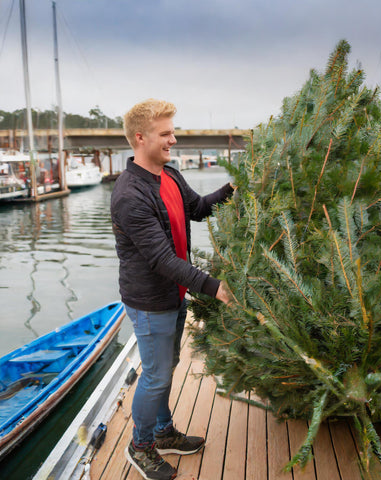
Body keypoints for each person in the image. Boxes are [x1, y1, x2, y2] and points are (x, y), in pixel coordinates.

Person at [111, 99, 233, 480]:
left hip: (174, 295)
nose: (173, 140)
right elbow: (162, 260)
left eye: (172, 132)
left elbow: (197, 208)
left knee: (167, 368)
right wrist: (214, 287)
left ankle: (163, 433)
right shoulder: (130, 195)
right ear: (140, 137)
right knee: (156, 375)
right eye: (165, 134)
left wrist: (233, 188)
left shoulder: (171, 175)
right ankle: (140, 446)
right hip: (150, 302)